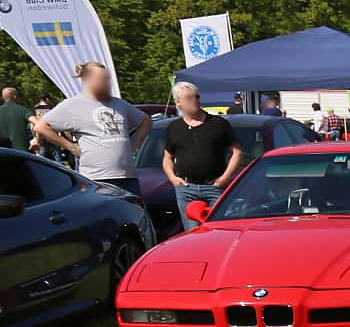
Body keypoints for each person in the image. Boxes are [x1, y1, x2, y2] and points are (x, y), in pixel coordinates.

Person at [32, 62, 149, 195]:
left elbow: (145, 121)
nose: (106, 83)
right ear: (87, 80)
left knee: (134, 215)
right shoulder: (72, 105)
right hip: (96, 180)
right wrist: (71, 147)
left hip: (128, 178)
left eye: (107, 79)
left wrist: (134, 145)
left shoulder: (119, 104)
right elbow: (41, 127)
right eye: (101, 79)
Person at [161, 81, 241, 223]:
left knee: (217, 230)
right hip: (186, 189)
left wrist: (225, 178)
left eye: (196, 97)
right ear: (178, 102)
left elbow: (237, 152)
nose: (195, 101)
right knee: (192, 234)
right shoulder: (174, 127)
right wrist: (173, 178)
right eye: (189, 98)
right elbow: (167, 157)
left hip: (214, 187)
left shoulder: (218, 123)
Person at [0, 86, 31, 151]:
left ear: (3, 97)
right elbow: (36, 123)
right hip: (21, 152)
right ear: (15, 96)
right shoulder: (23, 110)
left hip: (2, 152)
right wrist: (37, 140)